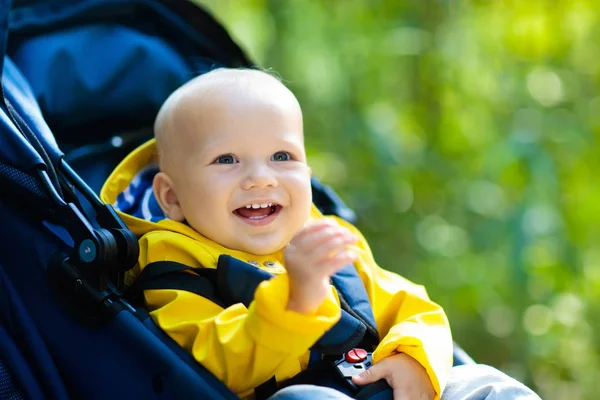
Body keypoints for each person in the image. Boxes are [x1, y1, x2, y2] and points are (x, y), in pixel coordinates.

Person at [100, 68, 541, 400]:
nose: (260, 178)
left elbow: (415, 307)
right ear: (171, 197)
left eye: (281, 156)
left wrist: (412, 356)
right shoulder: (172, 270)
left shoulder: (326, 238)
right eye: (227, 160)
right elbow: (212, 363)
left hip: (379, 383)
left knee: (489, 385)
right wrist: (295, 302)